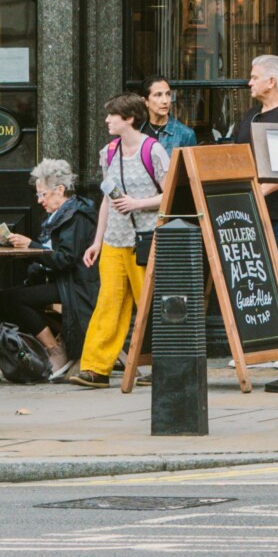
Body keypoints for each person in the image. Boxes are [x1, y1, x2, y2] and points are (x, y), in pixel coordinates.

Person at [69, 92, 168, 388]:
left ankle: (166, 363)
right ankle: (96, 368)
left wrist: (138, 203)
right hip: (114, 239)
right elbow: (107, 200)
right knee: (108, 302)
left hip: (145, 239)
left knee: (149, 303)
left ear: (129, 119)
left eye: (113, 115)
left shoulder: (154, 151)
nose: (107, 119)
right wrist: (97, 241)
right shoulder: (109, 152)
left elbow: (171, 193)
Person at [225, 55, 278, 353]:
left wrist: (262, 190)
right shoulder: (251, 116)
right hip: (249, 208)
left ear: (271, 81)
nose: (249, 82)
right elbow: (239, 156)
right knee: (259, 279)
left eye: (254, 76)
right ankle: (270, 344)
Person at [0, 158, 99, 377]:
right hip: (58, 280)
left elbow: (66, 259)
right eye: (38, 195)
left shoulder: (76, 217)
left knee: (9, 299)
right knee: (2, 298)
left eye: (43, 194)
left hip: (74, 284)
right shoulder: (57, 216)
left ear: (60, 190)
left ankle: (54, 349)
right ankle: (49, 344)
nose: (40, 201)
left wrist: (31, 246)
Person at [142, 77, 198, 152]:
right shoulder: (138, 130)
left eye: (168, 94)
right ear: (146, 101)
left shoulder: (185, 134)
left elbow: (190, 163)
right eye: (158, 95)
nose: (165, 101)